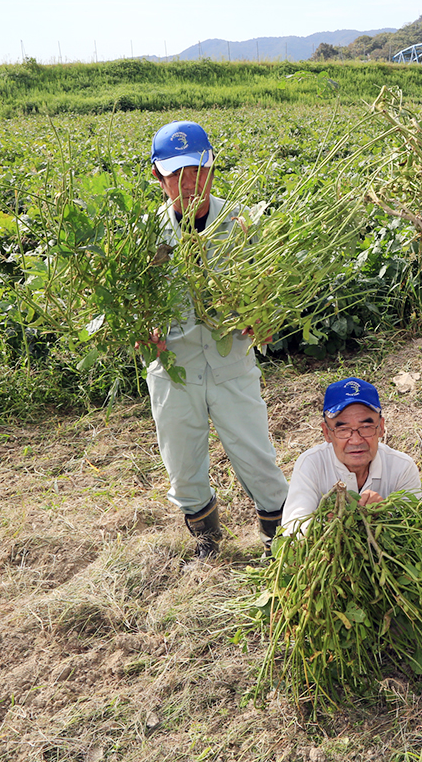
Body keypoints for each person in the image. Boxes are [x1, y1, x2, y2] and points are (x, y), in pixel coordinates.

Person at [145, 120, 288, 563]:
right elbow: (132, 303)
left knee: (257, 460)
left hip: (231, 366)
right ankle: (206, 538)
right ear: (157, 176)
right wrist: (139, 327)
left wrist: (264, 317)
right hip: (174, 369)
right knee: (183, 470)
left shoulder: (243, 224)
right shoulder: (143, 236)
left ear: (211, 167)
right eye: (174, 174)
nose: (186, 183)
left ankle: (279, 540)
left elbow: (271, 292)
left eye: (195, 170)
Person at [281, 377, 422, 535]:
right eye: (343, 430)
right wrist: (325, 526)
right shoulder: (311, 464)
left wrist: (386, 516)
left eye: (366, 427)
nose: (356, 440)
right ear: (327, 433)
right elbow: (292, 531)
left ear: (381, 428)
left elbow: (415, 527)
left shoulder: (402, 467)